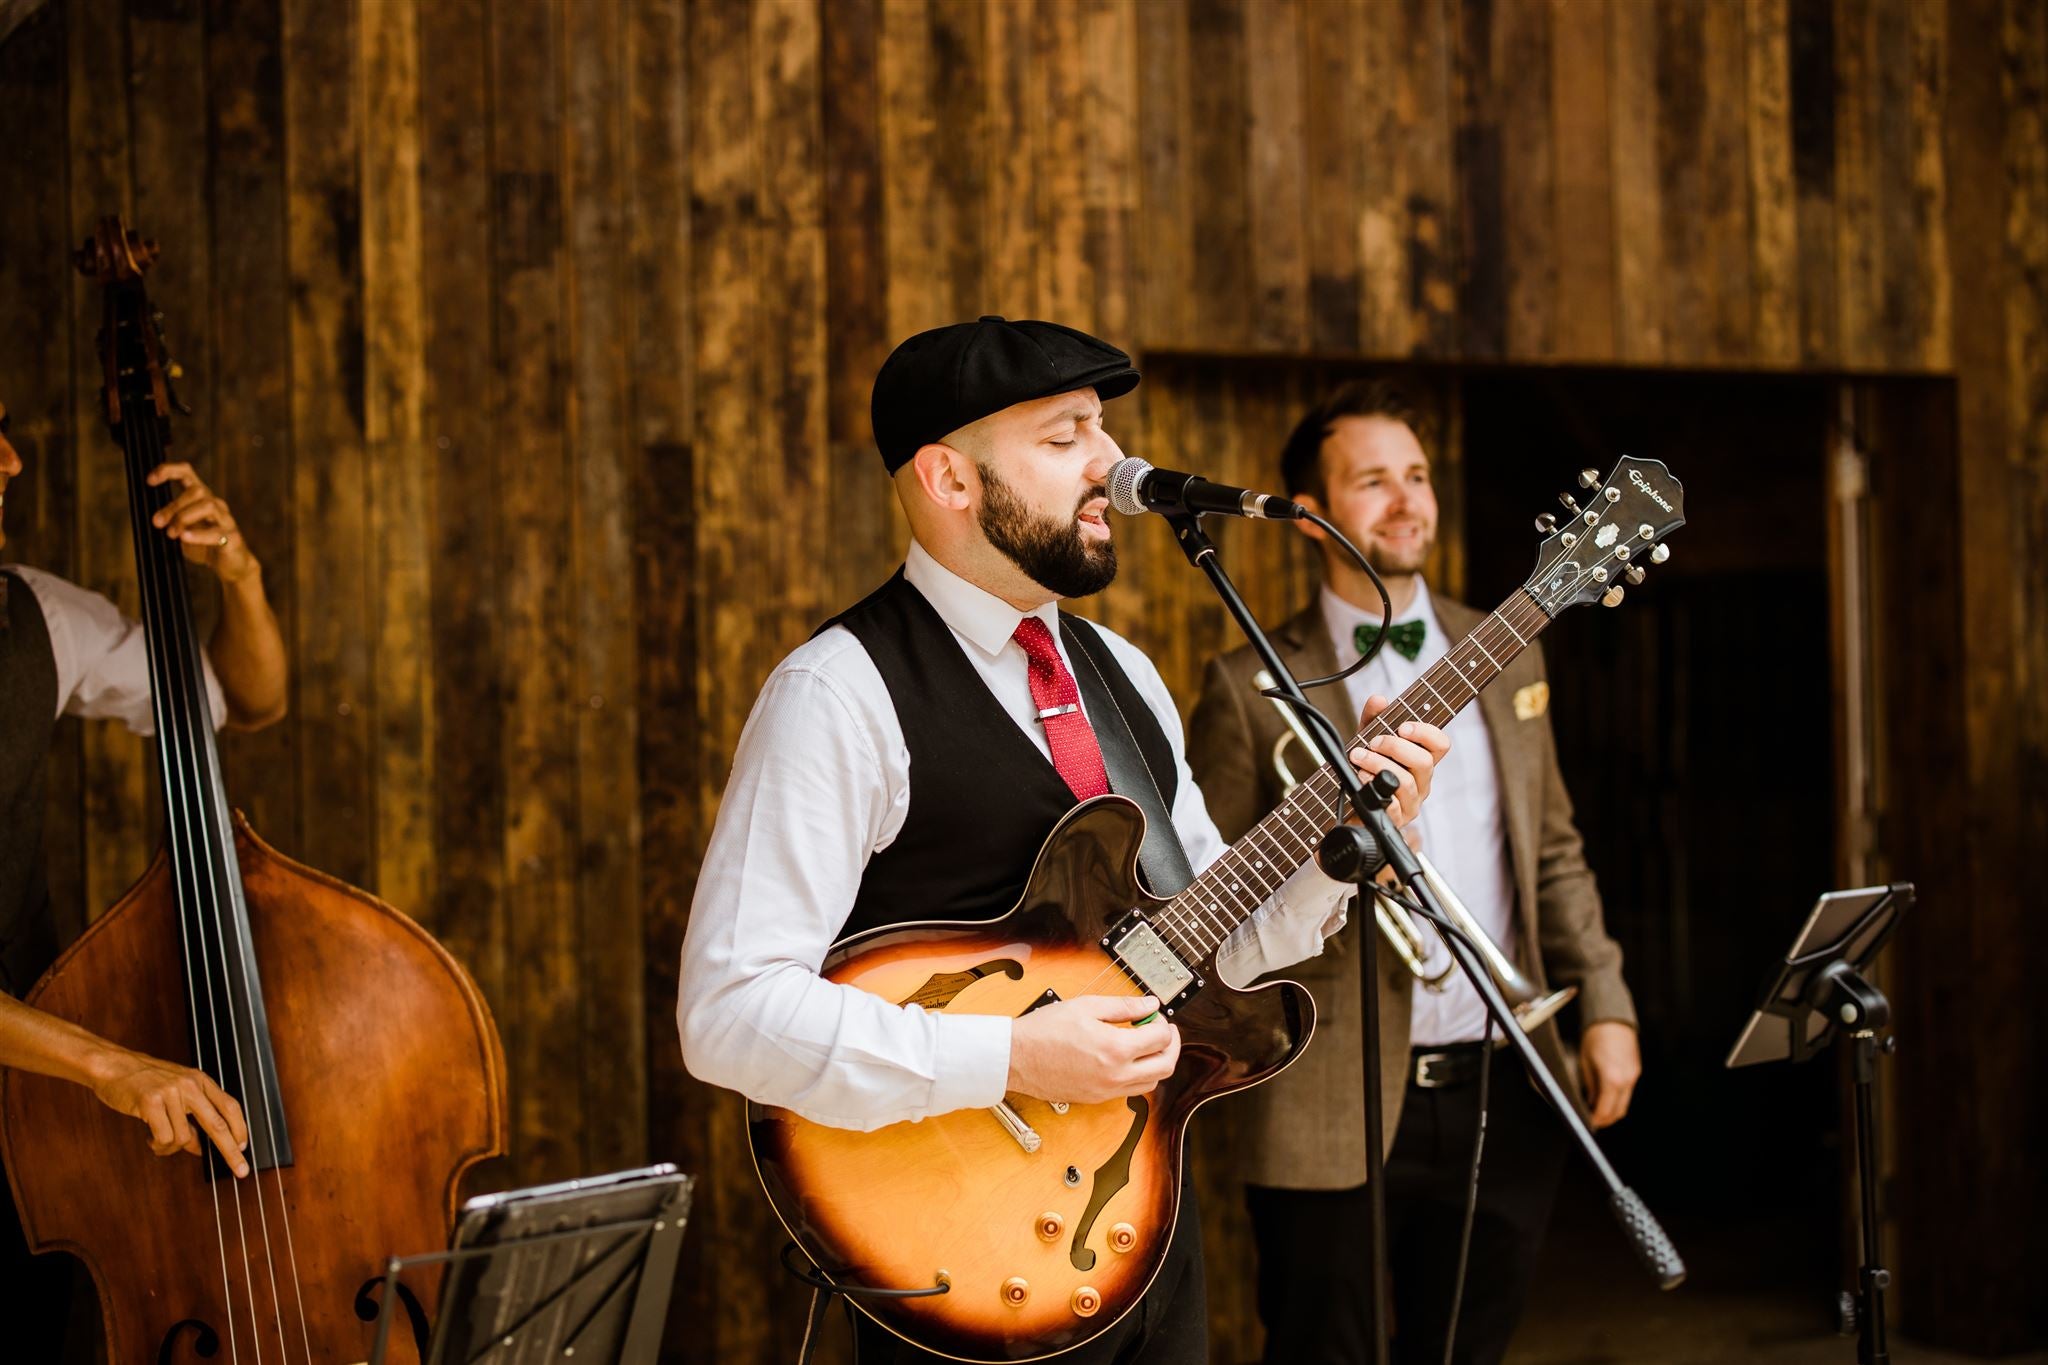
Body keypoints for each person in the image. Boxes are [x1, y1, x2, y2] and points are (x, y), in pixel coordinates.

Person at [678, 320, 1451, 1363]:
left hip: (1139, 1228)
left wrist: (1333, 848)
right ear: (950, 479)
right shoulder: (837, 693)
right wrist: (1010, 1056)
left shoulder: (1122, 674)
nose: (1110, 463)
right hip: (959, 1245)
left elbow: (1203, 944)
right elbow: (728, 1012)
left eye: (1101, 428)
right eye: (1063, 436)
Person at [1187, 379, 1641, 1365]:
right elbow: (1209, 904)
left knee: (1469, 1347)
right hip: (1323, 1094)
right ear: (1312, 514)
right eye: (1371, 482)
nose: (1405, 502)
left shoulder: (1508, 655)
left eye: (1418, 476)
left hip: (1502, 1076)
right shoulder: (1245, 685)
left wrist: (1605, 1002)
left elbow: (1551, 849)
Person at [0, 393, 287, 1181]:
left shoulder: (35, 617)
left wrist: (241, 576)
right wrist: (108, 1064)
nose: (12, 461)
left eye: (5, 429)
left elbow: (246, 699)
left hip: (30, 1128)